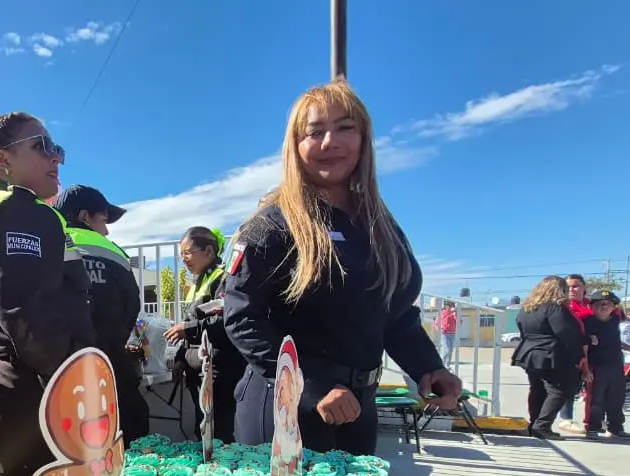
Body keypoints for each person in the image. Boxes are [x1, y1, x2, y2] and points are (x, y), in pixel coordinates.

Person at [223, 80, 461, 455]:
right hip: (286, 404)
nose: (329, 141)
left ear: (364, 140)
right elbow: (242, 318)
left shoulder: (381, 225)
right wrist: (311, 386)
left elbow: (395, 316)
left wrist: (428, 368)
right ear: (295, 146)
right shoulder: (272, 225)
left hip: (358, 408)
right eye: (314, 132)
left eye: (345, 128)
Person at [0, 111, 95, 476]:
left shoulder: (2, 207)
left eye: (58, 149)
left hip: (16, 387)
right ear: (3, 160)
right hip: (34, 390)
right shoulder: (19, 210)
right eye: (42, 147)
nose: (56, 158)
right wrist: (74, 382)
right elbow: (25, 313)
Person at [55, 184, 150, 441]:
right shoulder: (114, 251)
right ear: (84, 216)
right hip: (110, 366)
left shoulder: (45, 242)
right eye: (104, 220)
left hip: (57, 372)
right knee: (131, 442)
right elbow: (132, 306)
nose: (106, 230)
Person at [165, 226, 242, 443]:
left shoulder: (225, 278)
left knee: (218, 432)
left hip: (218, 370)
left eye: (188, 253)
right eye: (181, 255)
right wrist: (181, 357)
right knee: (202, 429)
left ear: (208, 251)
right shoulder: (198, 281)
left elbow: (226, 321)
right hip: (196, 371)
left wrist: (186, 330)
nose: (184, 260)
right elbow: (191, 321)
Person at [512, 276, 585, 440]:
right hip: (550, 354)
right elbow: (566, 333)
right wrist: (578, 355)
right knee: (559, 390)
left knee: (537, 390)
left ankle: (534, 424)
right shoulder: (555, 308)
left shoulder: (527, 308)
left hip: (529, 353)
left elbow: (523, 330)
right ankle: (542, 425)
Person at [581, 290, 630, 440]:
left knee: (617, 398)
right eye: (598, 304)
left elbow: (617, 342)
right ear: (592, 307)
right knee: (596, 399)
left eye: (607, 304)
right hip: (596, 366)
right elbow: (584, 348)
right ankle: (592, 427)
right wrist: (586, 369)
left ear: (613, 307)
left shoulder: (615, 320)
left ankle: (616, 427)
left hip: (615, 364)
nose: (603, 307)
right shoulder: (587, 323)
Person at [555, 274, 593, 432]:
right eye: (568, 287)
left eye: (575, 286)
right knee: (569, 386)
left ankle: (595, 420)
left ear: (584, 288)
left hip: (595, 351)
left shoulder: (592, 305)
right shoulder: (564, 307)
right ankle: (566, 418)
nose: (571, 289)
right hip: (572, 352)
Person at [436, 301, 459, 368]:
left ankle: (447, 365)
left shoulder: (455, 313)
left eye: (452, 305)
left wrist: (455, 315)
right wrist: (440, 329)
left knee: (451, 350)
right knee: (447, 349)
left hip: (453, 333)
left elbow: (459, 323)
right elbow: (436, 323)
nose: (450, 307)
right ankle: (442, 364)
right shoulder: (442, 313)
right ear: (446, 306)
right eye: (449, 305)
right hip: (444, 334)